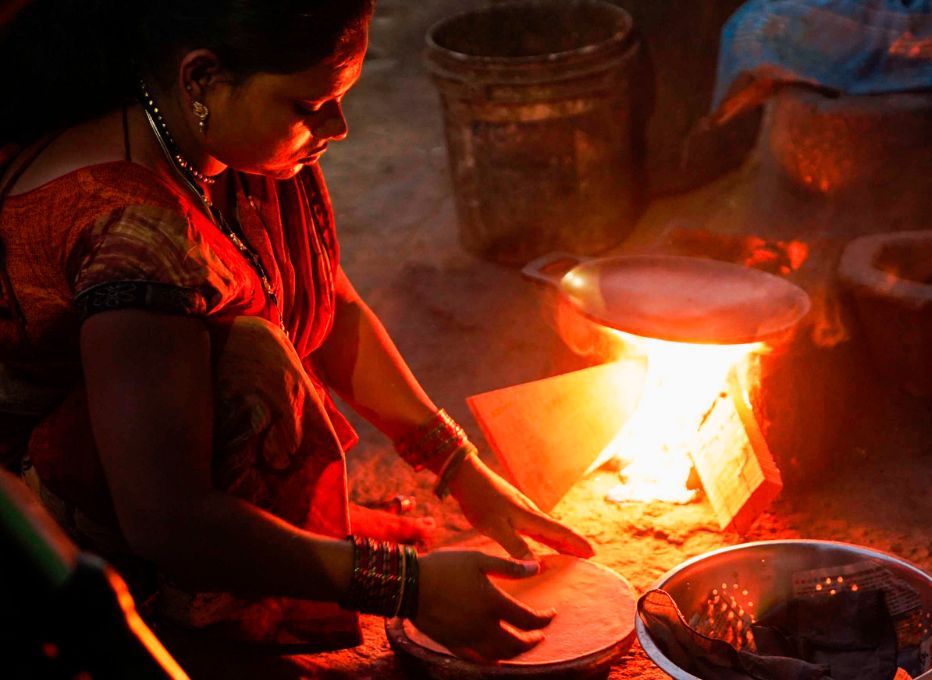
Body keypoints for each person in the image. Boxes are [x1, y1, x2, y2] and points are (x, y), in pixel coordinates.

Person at [0, 0, 594, 666]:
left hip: (150, 466)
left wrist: (461, 466)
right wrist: (403, 586)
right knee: (251, 355)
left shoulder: (227, 151)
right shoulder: (131, 230)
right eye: (312, 105)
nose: (338, 126)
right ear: (201, 79)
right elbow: (165, 516)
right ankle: (200, 613)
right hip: (60, 526)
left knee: (262, 324)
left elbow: (328, 303)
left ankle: (276, 538)